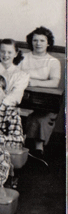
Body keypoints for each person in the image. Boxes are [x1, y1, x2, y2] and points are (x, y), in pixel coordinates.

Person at [19, 26, 62, 157]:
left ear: (48, 43)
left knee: (41, 117)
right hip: (21, 97)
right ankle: (18, 143)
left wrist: (33, 82)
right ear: (31, 42)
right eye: (35, 40)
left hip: (43, 101)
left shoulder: (53, 61)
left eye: (42, 41)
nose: (38, 44)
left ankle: (38, 146)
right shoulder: (22, 57)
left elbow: (54, 82)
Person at [0, 39, 29, 107]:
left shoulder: (22, 75)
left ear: (16, 54)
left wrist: (1, 105)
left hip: (9, 109)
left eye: (9, 52)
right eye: (2, 51)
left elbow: (16, 96)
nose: (5, 55)